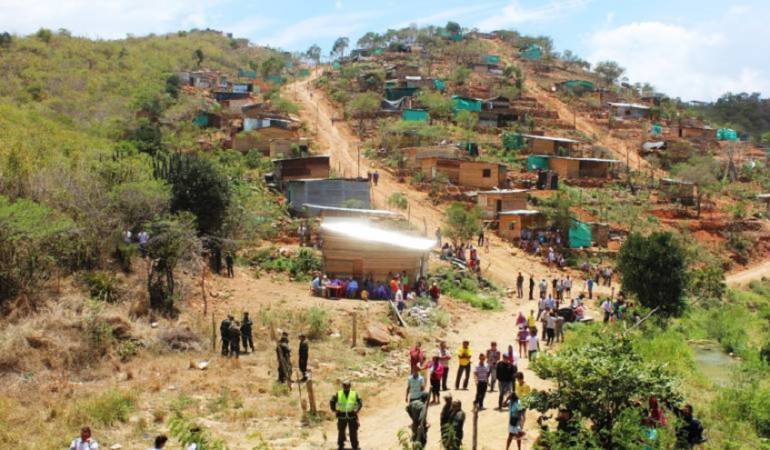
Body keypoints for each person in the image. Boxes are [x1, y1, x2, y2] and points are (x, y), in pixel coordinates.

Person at [330, 381, 362, 450]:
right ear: (342, 386)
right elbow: (332, 401)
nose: (346, 387)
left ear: (350, 386)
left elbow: (360, 402)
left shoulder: (354, 394)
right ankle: (341, 445)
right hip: (342, 415)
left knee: (353, 432)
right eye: (345, 386)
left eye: (347, 386)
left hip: (352, 416)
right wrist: (335, 410)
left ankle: (355, 446)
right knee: (341, 431)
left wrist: (356, 410)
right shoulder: (338, 393)